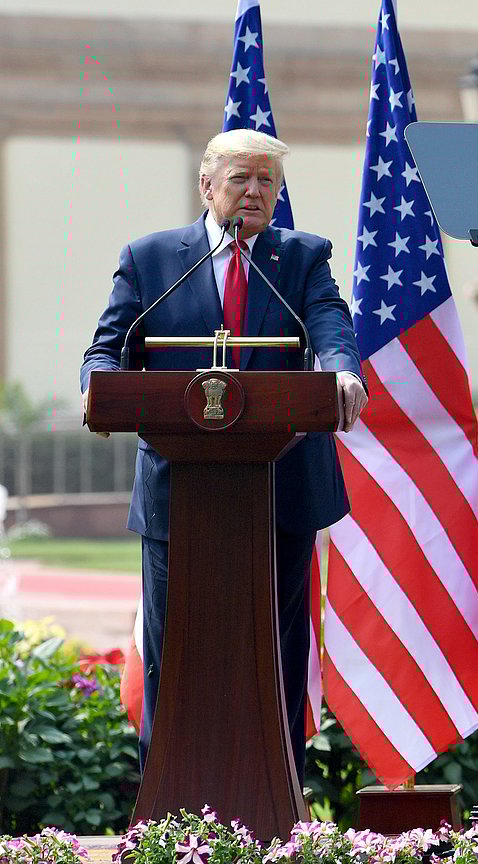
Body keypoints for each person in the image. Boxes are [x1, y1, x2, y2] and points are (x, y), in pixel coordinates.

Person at [79, 128, 367, 780]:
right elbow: (107, 349)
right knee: (172, 649)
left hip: (281, 485)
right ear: (207, 186)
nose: (255, 192)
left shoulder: (301, 257)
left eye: (267, 180)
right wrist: (95, 387)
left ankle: (280, 795)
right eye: (241, 178)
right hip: (178, 491)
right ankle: (165, 794)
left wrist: (342, 371)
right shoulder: (152, 259)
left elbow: (330, 323)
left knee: (279, 648)